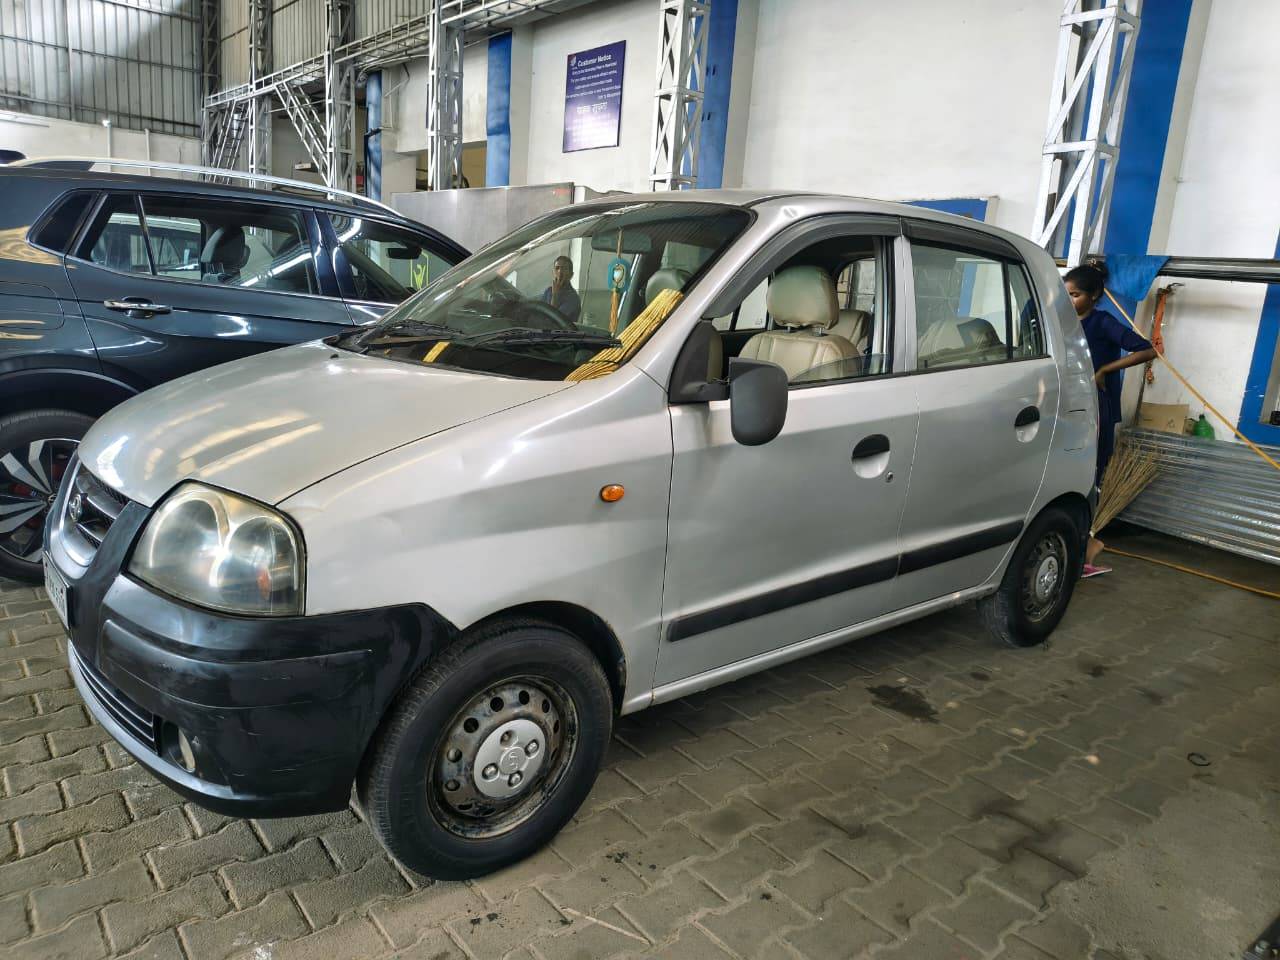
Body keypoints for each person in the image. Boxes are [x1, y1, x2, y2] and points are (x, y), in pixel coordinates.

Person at [1064, 262, 1157, 578]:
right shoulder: (1061, 323)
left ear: (1094, 296)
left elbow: (1147, 351)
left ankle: (1085, 550)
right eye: (1065, 294)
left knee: (1091, 474)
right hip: (1067, 404)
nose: (1069, 300)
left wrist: (1104, 371)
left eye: (1075, 294)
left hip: (1095, 407)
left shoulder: (1102, 323)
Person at [541, 255, 581, 323]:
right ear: (553, 272)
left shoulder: (573, 298)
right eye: (557, 268)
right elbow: (539, 316)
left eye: (564, 268)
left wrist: (555, 295)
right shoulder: (548, 291)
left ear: (571, 275)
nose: (560, 271)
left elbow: (552, 322)